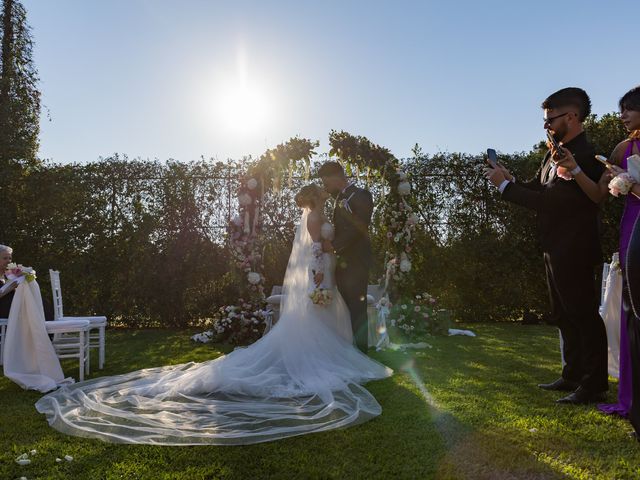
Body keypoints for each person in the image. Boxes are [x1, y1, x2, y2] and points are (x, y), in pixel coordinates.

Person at [35, 185, 392, 445]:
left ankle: (335, 350)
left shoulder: (318, 212)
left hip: (325, 269)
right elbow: (315, 246)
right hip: (321, 268)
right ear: (316, 198)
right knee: (322, 315)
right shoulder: (314, 216)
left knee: (329, 315)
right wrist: (326, 259)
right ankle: (327, 355)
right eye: (323, 194)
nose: (327, 196)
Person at [485, 87, 608, 404]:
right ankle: (572, 375)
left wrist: (505, 189)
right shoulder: (552, 153)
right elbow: (537, 189)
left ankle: (594, 384)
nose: (545, 126)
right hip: (553, 246)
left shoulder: (587, 155)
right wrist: (510, 179)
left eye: (550, 119)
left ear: (572, 116)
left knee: (583, 315)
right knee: (563, 314)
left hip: (576, 247)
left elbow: (551, 204)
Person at [553, 86, 640, 420]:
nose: (622, 115)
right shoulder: (622, 148)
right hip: (633, 230)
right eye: (621, 109)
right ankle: (632, 397)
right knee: (634, 310)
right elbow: (597, 196)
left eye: (630, 108)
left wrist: (633, 185)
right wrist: (575, 168)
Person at [318, 161, 374, 353]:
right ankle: (348, 351)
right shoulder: (337, 199)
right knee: (343, 306)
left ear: (336, 176)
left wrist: (333, 246)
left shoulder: (361, 195)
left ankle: (361, 352)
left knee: (357, 307)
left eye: (325, 182)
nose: (325, 186)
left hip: (357, 261)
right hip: (341, 262)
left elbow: (360, 227)